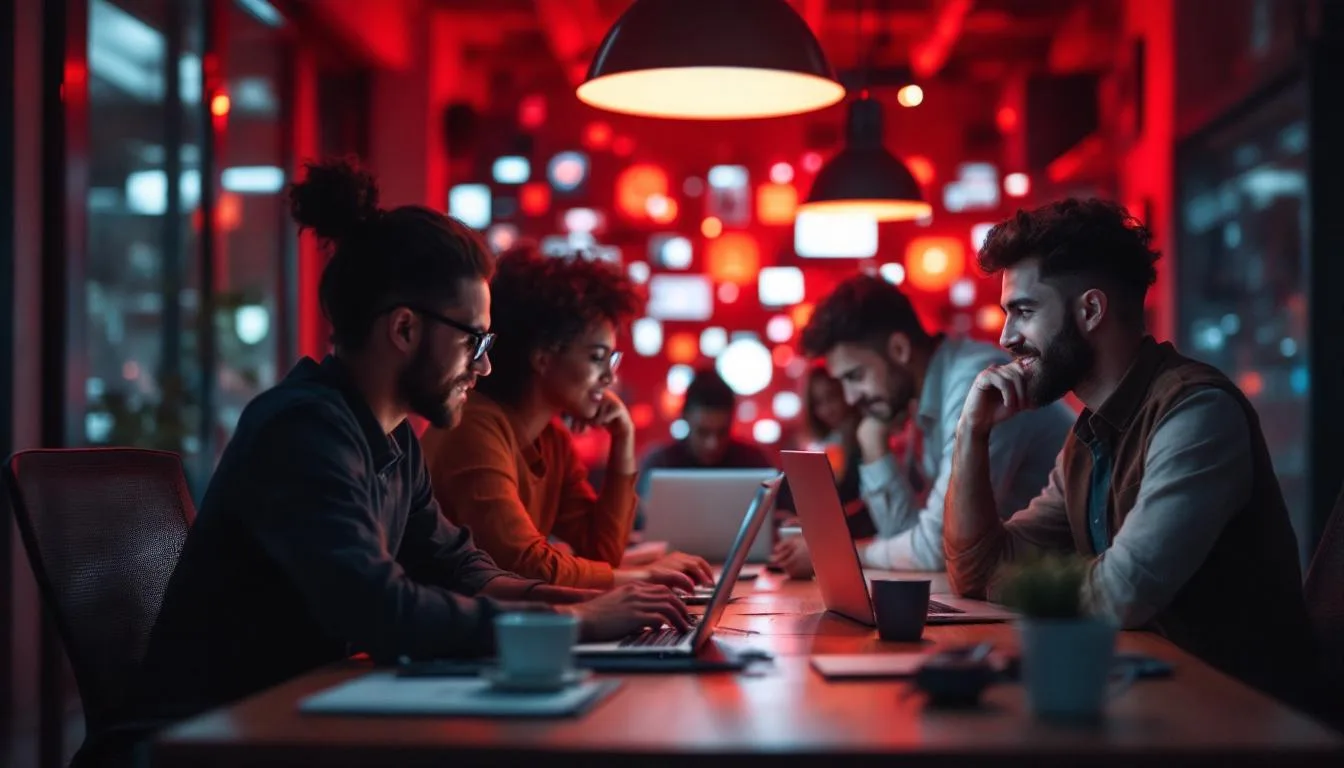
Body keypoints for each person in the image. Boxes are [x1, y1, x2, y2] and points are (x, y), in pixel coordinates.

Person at [140, 161, 689, 723]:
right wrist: (577, 625)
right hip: (207, 737)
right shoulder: (302, 431)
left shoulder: (394, 439)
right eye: (474, 340)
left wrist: (591, 606)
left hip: (298, 717)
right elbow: (380, 609)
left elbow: (465, 570)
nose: (485, 365)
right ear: (403, 329)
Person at [946, 198, 1313, 702]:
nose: (1006, 337)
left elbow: (1118, 597)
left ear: (1091, 310)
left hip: (1239, 721)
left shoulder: (1197, 414)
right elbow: (976, 570)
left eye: (1024, 312)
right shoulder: (1089, 434)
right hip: (1148, 700)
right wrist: (971, 432)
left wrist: (1027, 584)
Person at [422, 246, 713, 590]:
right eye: (596, 357)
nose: (609, 377)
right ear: (543, 357)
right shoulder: (472, 428)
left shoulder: (552, 439)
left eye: (611, 360)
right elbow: (524, 566)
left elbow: (602, 551)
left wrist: (623, 440)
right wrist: (643, 577)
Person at [771, 274, 1073, 576]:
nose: (850, 398)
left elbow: (939, 549)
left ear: (899, 349)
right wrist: (875, 448)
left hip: (1059, 593)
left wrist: (837, 553)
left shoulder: (975, 381)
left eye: (856, 376)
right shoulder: (922, 398)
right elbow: (903, 537)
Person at [635, 367, 774, 529]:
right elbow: (636, 524)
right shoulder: (659, 462)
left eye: (722, 432)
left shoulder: (755, 462)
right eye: (703, 432)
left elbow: (782, 515)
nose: (712, 444)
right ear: (685, 418)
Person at [799, 364, 874, 539]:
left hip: (863, 539)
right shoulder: (824, 445)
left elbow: (865, 505)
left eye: (831, 397)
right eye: (818, 403)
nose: (827, 410)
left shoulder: (866, 439)